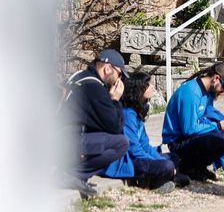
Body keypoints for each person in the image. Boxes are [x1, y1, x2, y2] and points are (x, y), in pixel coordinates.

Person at [60, 49, 130, 198]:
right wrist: (115, 99)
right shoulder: (95, 88)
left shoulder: (78, 76)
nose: (120, 79)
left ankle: (76, 176)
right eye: (120, 74)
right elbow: (115, 127)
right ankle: (71, 174)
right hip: (69, 143)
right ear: (108, 68)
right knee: (121, 143)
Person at [162, 62, 224, 181]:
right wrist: (218, 126)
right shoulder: (191, 93)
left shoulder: (209, 93)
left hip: (195, 135)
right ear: (216, 79)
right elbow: (188, 129)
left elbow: (207, 118)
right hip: (179, 141)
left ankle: (199, 166)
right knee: (221, 141)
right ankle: (187, 166)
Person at [121, 72, 189, 193]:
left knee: (173, 157)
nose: (152, 86)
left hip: (141, 155)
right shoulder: (128, 114)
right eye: (148, 84)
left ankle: (167, 177)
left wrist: (160, 159)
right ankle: (152, 182)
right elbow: (134, 149)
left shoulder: (137, 112)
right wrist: (158, 162)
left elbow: (145, 144)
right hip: (131, 160)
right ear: (138, 89)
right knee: (167, 165)